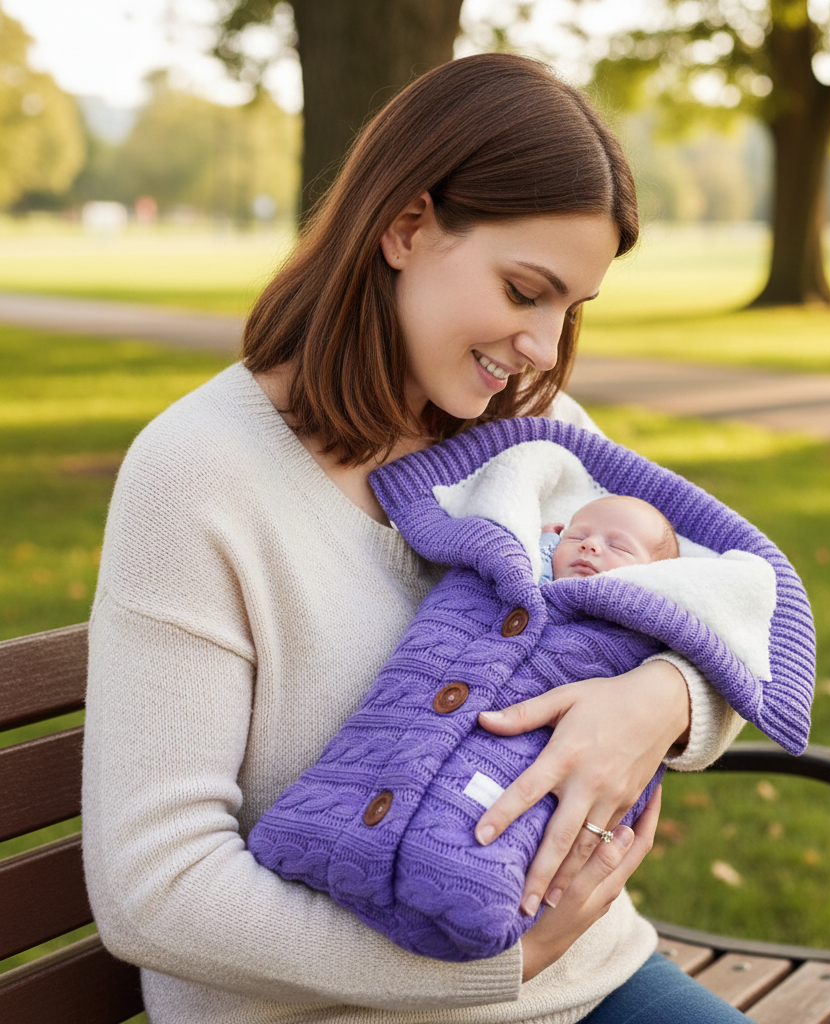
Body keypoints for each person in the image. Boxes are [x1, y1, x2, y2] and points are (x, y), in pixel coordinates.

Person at [81, 52, 776, 1023]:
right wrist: (498, 967)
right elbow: (154, 892)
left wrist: (657, 701)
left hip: (591, 982)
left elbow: (737, 609)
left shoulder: (541, 438)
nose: (542, 345)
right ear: (407, 226)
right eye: (524, 290)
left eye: (570, 309)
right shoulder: (202, 473)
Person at [247, 422, 808, 964]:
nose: (591, 549)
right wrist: (524, 962)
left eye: (619, 548)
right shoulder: (502, 553)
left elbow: (733, 663)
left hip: (599, 961)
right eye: (580, 535)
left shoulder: (639, 603)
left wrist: (674, 692)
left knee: (481, 834)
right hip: (331, 991)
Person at [539, 494, 680, 584]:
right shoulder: (537, 586)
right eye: (576, 537)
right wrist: (548, 542)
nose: (589, 543)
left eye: (617, 546)